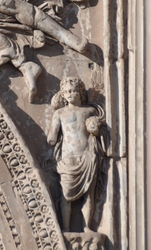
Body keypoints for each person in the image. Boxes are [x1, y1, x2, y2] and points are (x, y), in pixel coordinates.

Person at [47, 77, 104, 232]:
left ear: (80, 92)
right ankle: (66, 227)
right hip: (68, 158)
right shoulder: (59, 113)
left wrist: (95, 129)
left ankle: (87, 227)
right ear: (63, 95)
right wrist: (51, 137)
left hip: (87, 156)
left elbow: (96, 132)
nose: (70, 94)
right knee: (66, 194)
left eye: (73, 91)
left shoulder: (89, 111)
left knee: (88, 194)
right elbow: (52, 136)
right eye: (66, 92)